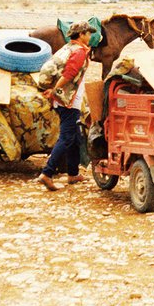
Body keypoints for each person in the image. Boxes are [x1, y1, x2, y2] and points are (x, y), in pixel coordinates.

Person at [36, 21, 94, 191]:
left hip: (63, 99)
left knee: (76, 137)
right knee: (67, 137)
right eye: (88, 34)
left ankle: (73, 173)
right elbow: (70, 73)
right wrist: (55, 91)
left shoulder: (67, 48)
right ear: (81, 34)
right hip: (68, 100)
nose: (90, 37)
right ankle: (47, 173)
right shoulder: (80, 52)